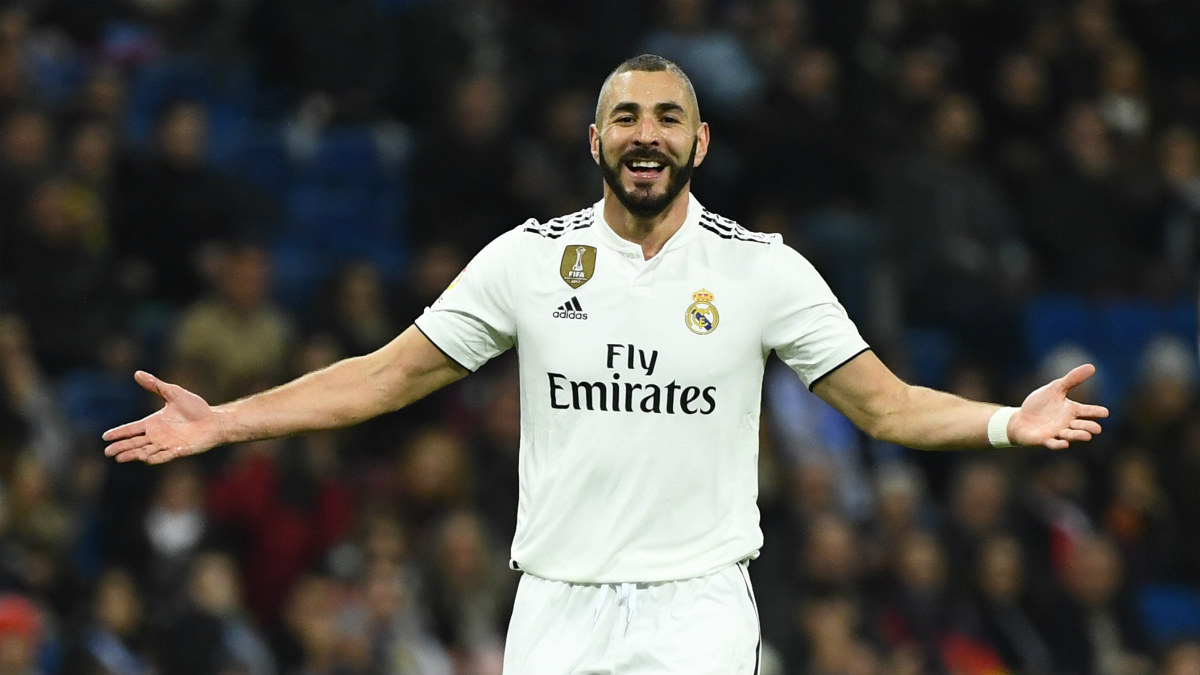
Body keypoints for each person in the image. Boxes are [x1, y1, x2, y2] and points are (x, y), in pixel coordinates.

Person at [102, 54, 1109, 674]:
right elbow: (382, 376)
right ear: (595, 139)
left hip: (699, 605)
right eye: (627, 117)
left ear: (700, 142)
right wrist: (228, 420)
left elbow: (885, 409)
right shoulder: (527, 260)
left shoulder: (764, 271)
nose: (647, 135)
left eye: (668, 118)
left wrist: (999, 423)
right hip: (557, 602)